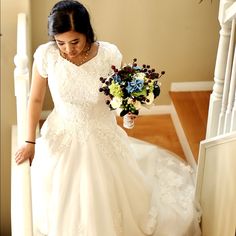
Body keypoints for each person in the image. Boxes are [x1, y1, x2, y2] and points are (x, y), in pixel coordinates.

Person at [15, 0, 201, 235]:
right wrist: (30, 141)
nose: (68, 49)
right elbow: (34, 100)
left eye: (75, 41)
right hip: (62, 133)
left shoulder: (109, 55)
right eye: (60, 42)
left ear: (87, 33)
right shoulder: (46, 55)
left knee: (107, 192)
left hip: (102, 133)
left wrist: (129, 110)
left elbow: (122, 96)